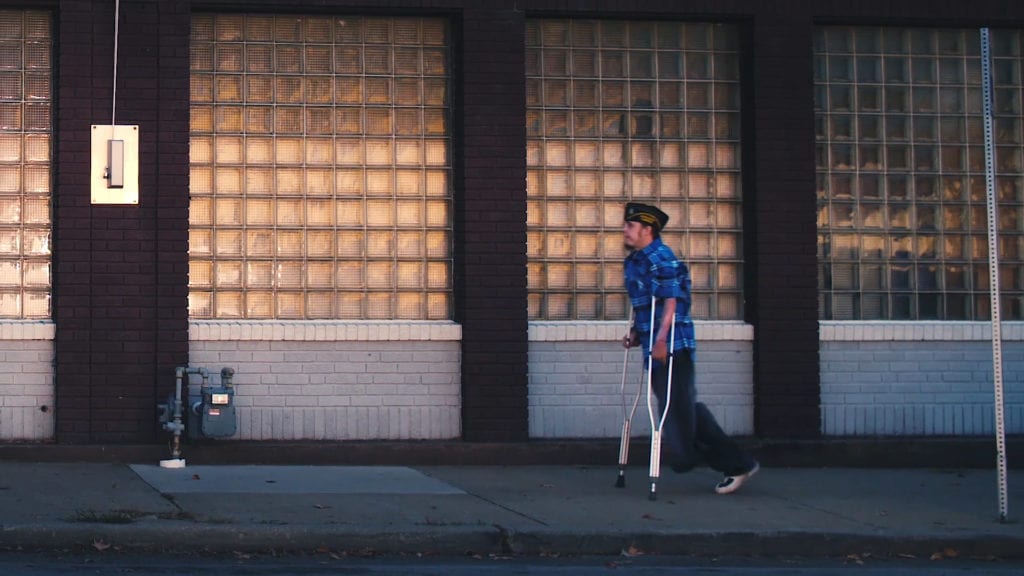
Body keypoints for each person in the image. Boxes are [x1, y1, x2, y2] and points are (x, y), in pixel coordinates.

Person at [621, 201, 759, 494]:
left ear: (647, 229)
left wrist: (660, 339)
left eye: (631, 226)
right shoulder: (635, 261)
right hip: (654, 345)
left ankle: (729, 463)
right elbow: (646, 306)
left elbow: (670, 303)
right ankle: (730, 462)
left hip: (673, 347)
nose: (625, 230)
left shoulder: (662, 258)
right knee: (682, 408)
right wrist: (637, 333)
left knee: (678, 412)